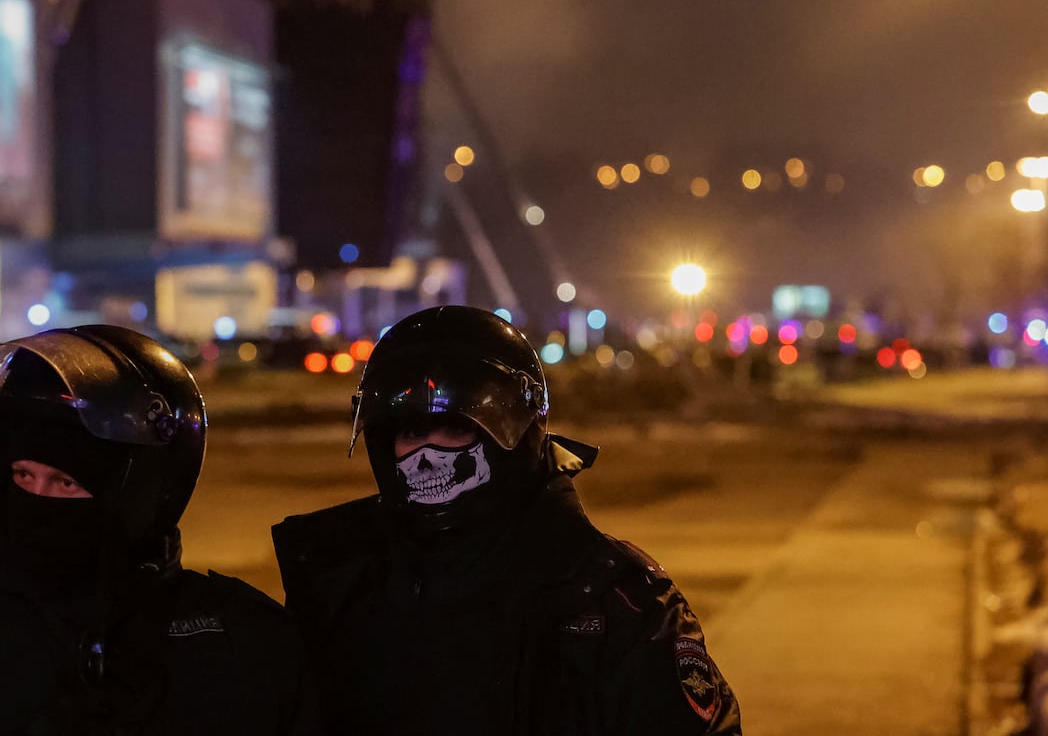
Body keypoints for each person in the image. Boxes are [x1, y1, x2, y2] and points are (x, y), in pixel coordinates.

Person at [0, 325, 314, 735]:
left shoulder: (239, 643)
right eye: (22, 477)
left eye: (67, 482)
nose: (38, 500)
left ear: (143, 493)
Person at [272, 305, 742, 735]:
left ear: (515, 433)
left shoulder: (613, 604)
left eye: (457, 428)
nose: (428, 457)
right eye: (412, 431)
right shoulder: (336, 586)